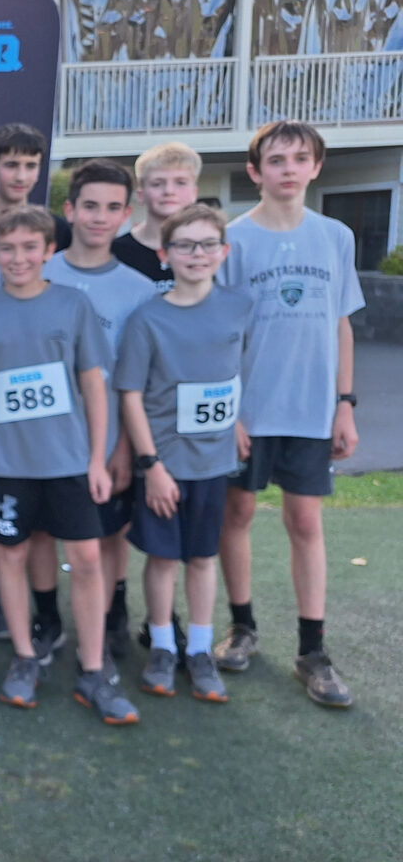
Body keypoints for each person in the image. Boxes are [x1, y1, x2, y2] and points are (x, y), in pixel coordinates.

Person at [0, 206, 139, 724]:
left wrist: (97, 460)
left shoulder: (73, 306)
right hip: (6, 465)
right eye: (7, 249)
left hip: (69, 463)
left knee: (89, 559)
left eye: (30, 248)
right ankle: (26, 660)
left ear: (49, 251)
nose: (19, 258)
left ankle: (94, 670)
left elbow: (94, 387)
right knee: (9, 557)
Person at [215, 120, 363, 708]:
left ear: (316, 167)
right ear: (255, 172)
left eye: (300, 158)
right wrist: (230, 413)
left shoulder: (336, 236)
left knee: (305, 523)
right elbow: (220, 332)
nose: (288, 168)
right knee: (238, 513)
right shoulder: (233, 239)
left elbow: (342, 324)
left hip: (311, 411)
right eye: (276, 160)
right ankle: (243, 626)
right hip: (250, 410)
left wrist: (344, 406)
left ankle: (313, 650)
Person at [116, 203, 249, 702]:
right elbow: (130, 393)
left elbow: (233, 373)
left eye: (207, 244)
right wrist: (150, 465)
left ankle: (199, 649)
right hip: (165, 465)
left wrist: (237, 420)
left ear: (224, 252)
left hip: (213, 466)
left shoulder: (239, 307)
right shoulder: (147, 318)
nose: (197, 254)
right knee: (164, 559)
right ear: (164, 254)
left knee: (201, 557)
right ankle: (162, 647)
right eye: (185, 245)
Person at [34, 160, 154, 668]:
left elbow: (133, 380)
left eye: (111, 208)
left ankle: (104, 623)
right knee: (40, 532)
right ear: (69, 210)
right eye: (89, 206)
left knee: (104, 536)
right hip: (39, 436)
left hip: (102, 441)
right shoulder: (39, 272)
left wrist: (125, 447)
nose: (99, 218)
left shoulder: (138, 288)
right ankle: (47, 618)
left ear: (127, 215)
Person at [0, 122, 66, 632]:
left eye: (30, 166)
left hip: (37, 390)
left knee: (34, 506)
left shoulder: (53, 231)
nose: (21, 175)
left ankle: (21, 597)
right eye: (12, 165)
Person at [114, 141, 202, 293]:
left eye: (180, 182)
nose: (169, 191)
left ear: (194, 192)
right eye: (157, 183)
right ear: (140, 194)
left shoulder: (209, 251)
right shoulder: (116, 253)